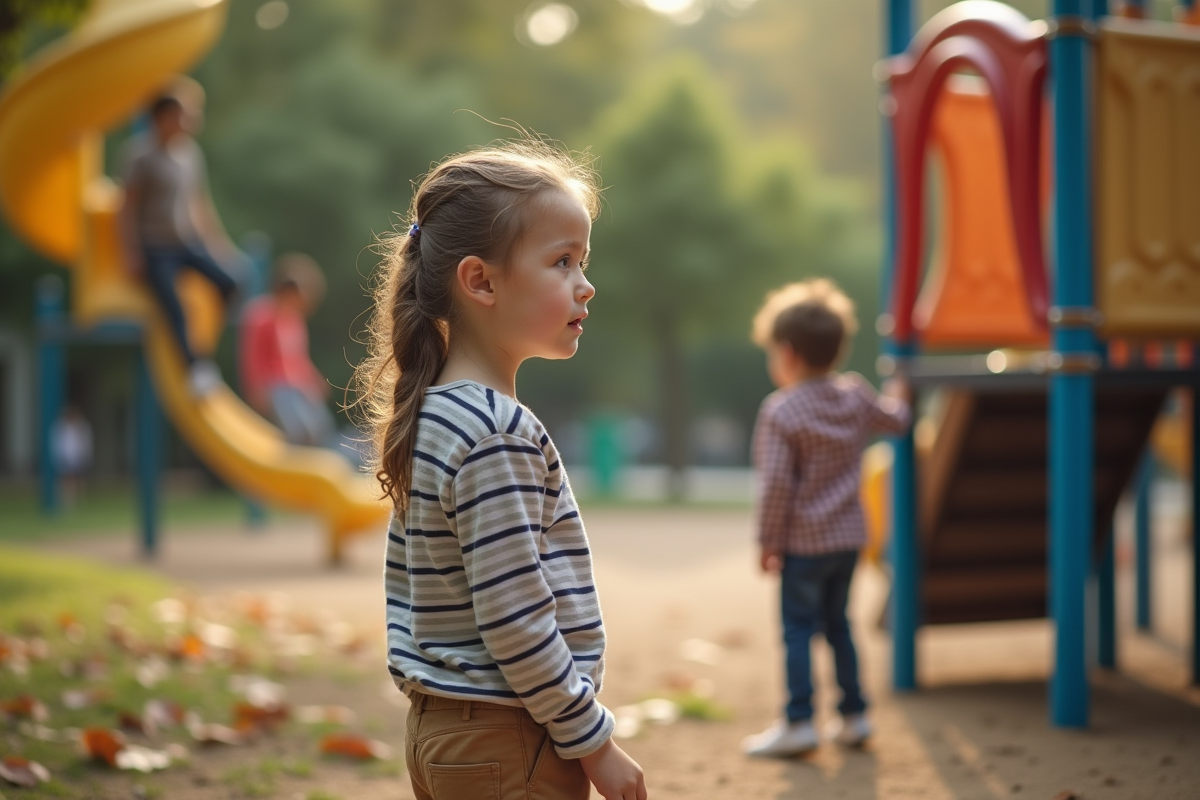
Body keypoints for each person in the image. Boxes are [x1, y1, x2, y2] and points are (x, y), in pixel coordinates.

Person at [353, 140, 647, 800]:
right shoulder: (497, 431)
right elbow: (515, 618)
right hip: (508, 736)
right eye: (561, 261)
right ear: (481, 281)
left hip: (441, 732)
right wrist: (594, 743)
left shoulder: (429, 416)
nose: (585, 282)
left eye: (583, 261)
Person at [741, 278, 911, 759]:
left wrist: (767, 541)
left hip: (802, 544)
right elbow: (897, 420)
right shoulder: (855, 395)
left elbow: (776, 485)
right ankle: (855, 715)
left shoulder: (781, 410)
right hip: (849, 538)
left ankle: (799, 721)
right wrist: (901, 388)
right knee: (839, 625)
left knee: (797, 629)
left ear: (788, 353)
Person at [119, 80, 241, 397]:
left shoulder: (190, 154)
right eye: (184, 114)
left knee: (232, 282)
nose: (190, 121)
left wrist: (220, 248)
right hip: (156, 247)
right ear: (163, 117)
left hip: (186, 243)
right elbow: (127, 208)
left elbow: (199, 205)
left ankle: (203, 348)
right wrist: (130, 252)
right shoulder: (140, 157)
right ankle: (194, 368)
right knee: (174, 308)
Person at [239, 253, 344, 452]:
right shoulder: (262, 314)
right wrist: (255, 387)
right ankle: (286, 467)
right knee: (297, 429)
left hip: (297, 386)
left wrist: (315, 380)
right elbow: (252, 356)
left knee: (321, 428)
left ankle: (309, 469)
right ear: (287, 291)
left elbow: (298, 359)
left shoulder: (294, 321)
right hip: (276, 385)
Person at [51, 404, 93, 508]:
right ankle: (68, 500)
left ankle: (76, 499)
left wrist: (85, 454)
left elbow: (85, 442)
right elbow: (57, 442)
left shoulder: (82, 426)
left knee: (76, 478)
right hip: (65, 456)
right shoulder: (60, 426)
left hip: (77, 456)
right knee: (67, 478)